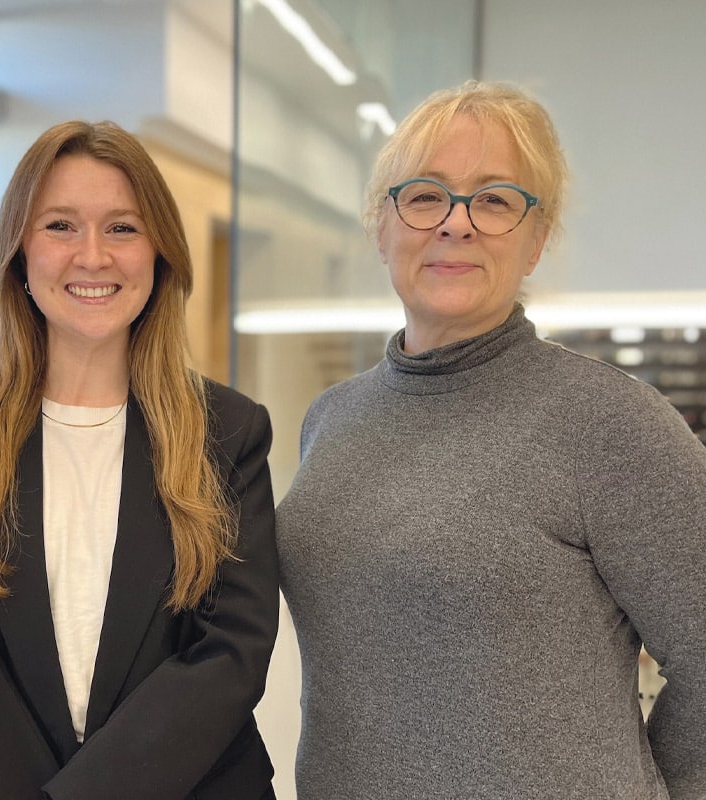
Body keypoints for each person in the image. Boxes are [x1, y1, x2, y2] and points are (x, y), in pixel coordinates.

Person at [276, 80, 706, 798]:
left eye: (496, 200)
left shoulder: (609, 422)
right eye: (424, 196)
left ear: (536, 240)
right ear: (381, 226)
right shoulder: (332, 419)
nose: (457, 223)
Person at [0, 120, 279, 799]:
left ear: (160, 252)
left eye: (123, 228)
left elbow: (232, 652)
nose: (93, 256)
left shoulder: (228, 432)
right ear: (18, 252)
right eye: (61, 226)